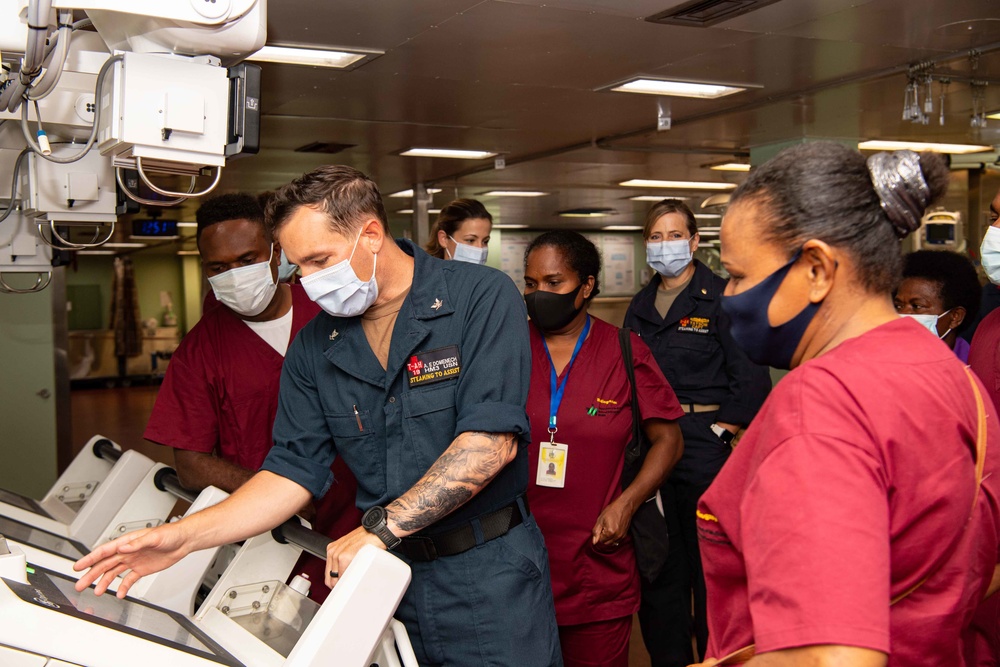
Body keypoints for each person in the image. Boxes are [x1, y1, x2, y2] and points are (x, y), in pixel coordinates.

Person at [75, 166, 561, 666]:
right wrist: (182, 538)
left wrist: (380, 529)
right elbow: (292, 470)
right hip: (383, 583)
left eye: (318, 260)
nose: (306, 283)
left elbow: (489, 443)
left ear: (370, 234)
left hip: (486, 575)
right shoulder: (316, 345)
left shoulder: (478, 297)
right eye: (297, 267)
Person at [691, 142, 1000, 667]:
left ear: (816, 268)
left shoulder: (823, 404)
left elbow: (832, 658)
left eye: (740, 275)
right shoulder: (952, 376)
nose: (728, 295)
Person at [143, 192, 360, 603]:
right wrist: (278, 496)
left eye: (246, 260)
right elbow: (190, 464)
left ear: (277, 252)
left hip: (360, 519)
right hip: (272, 535)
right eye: (219, 267)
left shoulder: (333, 314)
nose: (234, 274)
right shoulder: (200, 352)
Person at [523, 230, 685, 667]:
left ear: (587, 286)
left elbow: (668, 439)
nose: (540, 294)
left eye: (554, 283)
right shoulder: (510, 349)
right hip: (518, 564)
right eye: (531, 283)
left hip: (597, 563)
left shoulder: (623, 350)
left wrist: (627, 504)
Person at [622, 199, 771, 665]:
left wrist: (722, 433)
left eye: (674, 235)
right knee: (661, 566)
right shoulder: (641, 305)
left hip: (705, 442)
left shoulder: (723, 297)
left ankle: (715, 657)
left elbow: (749, 378)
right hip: (652, 442)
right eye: (656, 236)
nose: (665, 245)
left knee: (711, 566)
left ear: (694, 241)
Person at [893, 249, 981, 362]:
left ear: (955, 317)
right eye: (898, 306)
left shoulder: (975, 368)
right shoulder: (883, 361)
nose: (903, 314)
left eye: (917, 306)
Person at [424, 198, 492, 264]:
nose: (480, 249)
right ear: (443, 239)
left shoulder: (492, 275)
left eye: (485, 241)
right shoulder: (424, 275)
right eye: (470, 240)